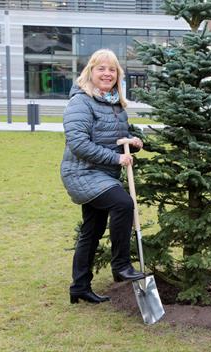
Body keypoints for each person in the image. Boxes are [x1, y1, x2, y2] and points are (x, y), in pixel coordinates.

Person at [61, 49, 145, 304]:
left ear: (117, 75)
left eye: (112, 70)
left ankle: (80, 287)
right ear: (90, 72)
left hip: (103, 174)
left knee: (92, 229)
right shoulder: (81, 102)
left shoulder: (115, 104)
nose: (107, 73)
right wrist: (117, 158)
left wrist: (133, 141)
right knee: (123, 204)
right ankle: (121, 265)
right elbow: (78, 143)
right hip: (82, 172)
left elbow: (116, 136)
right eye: (101, 68)